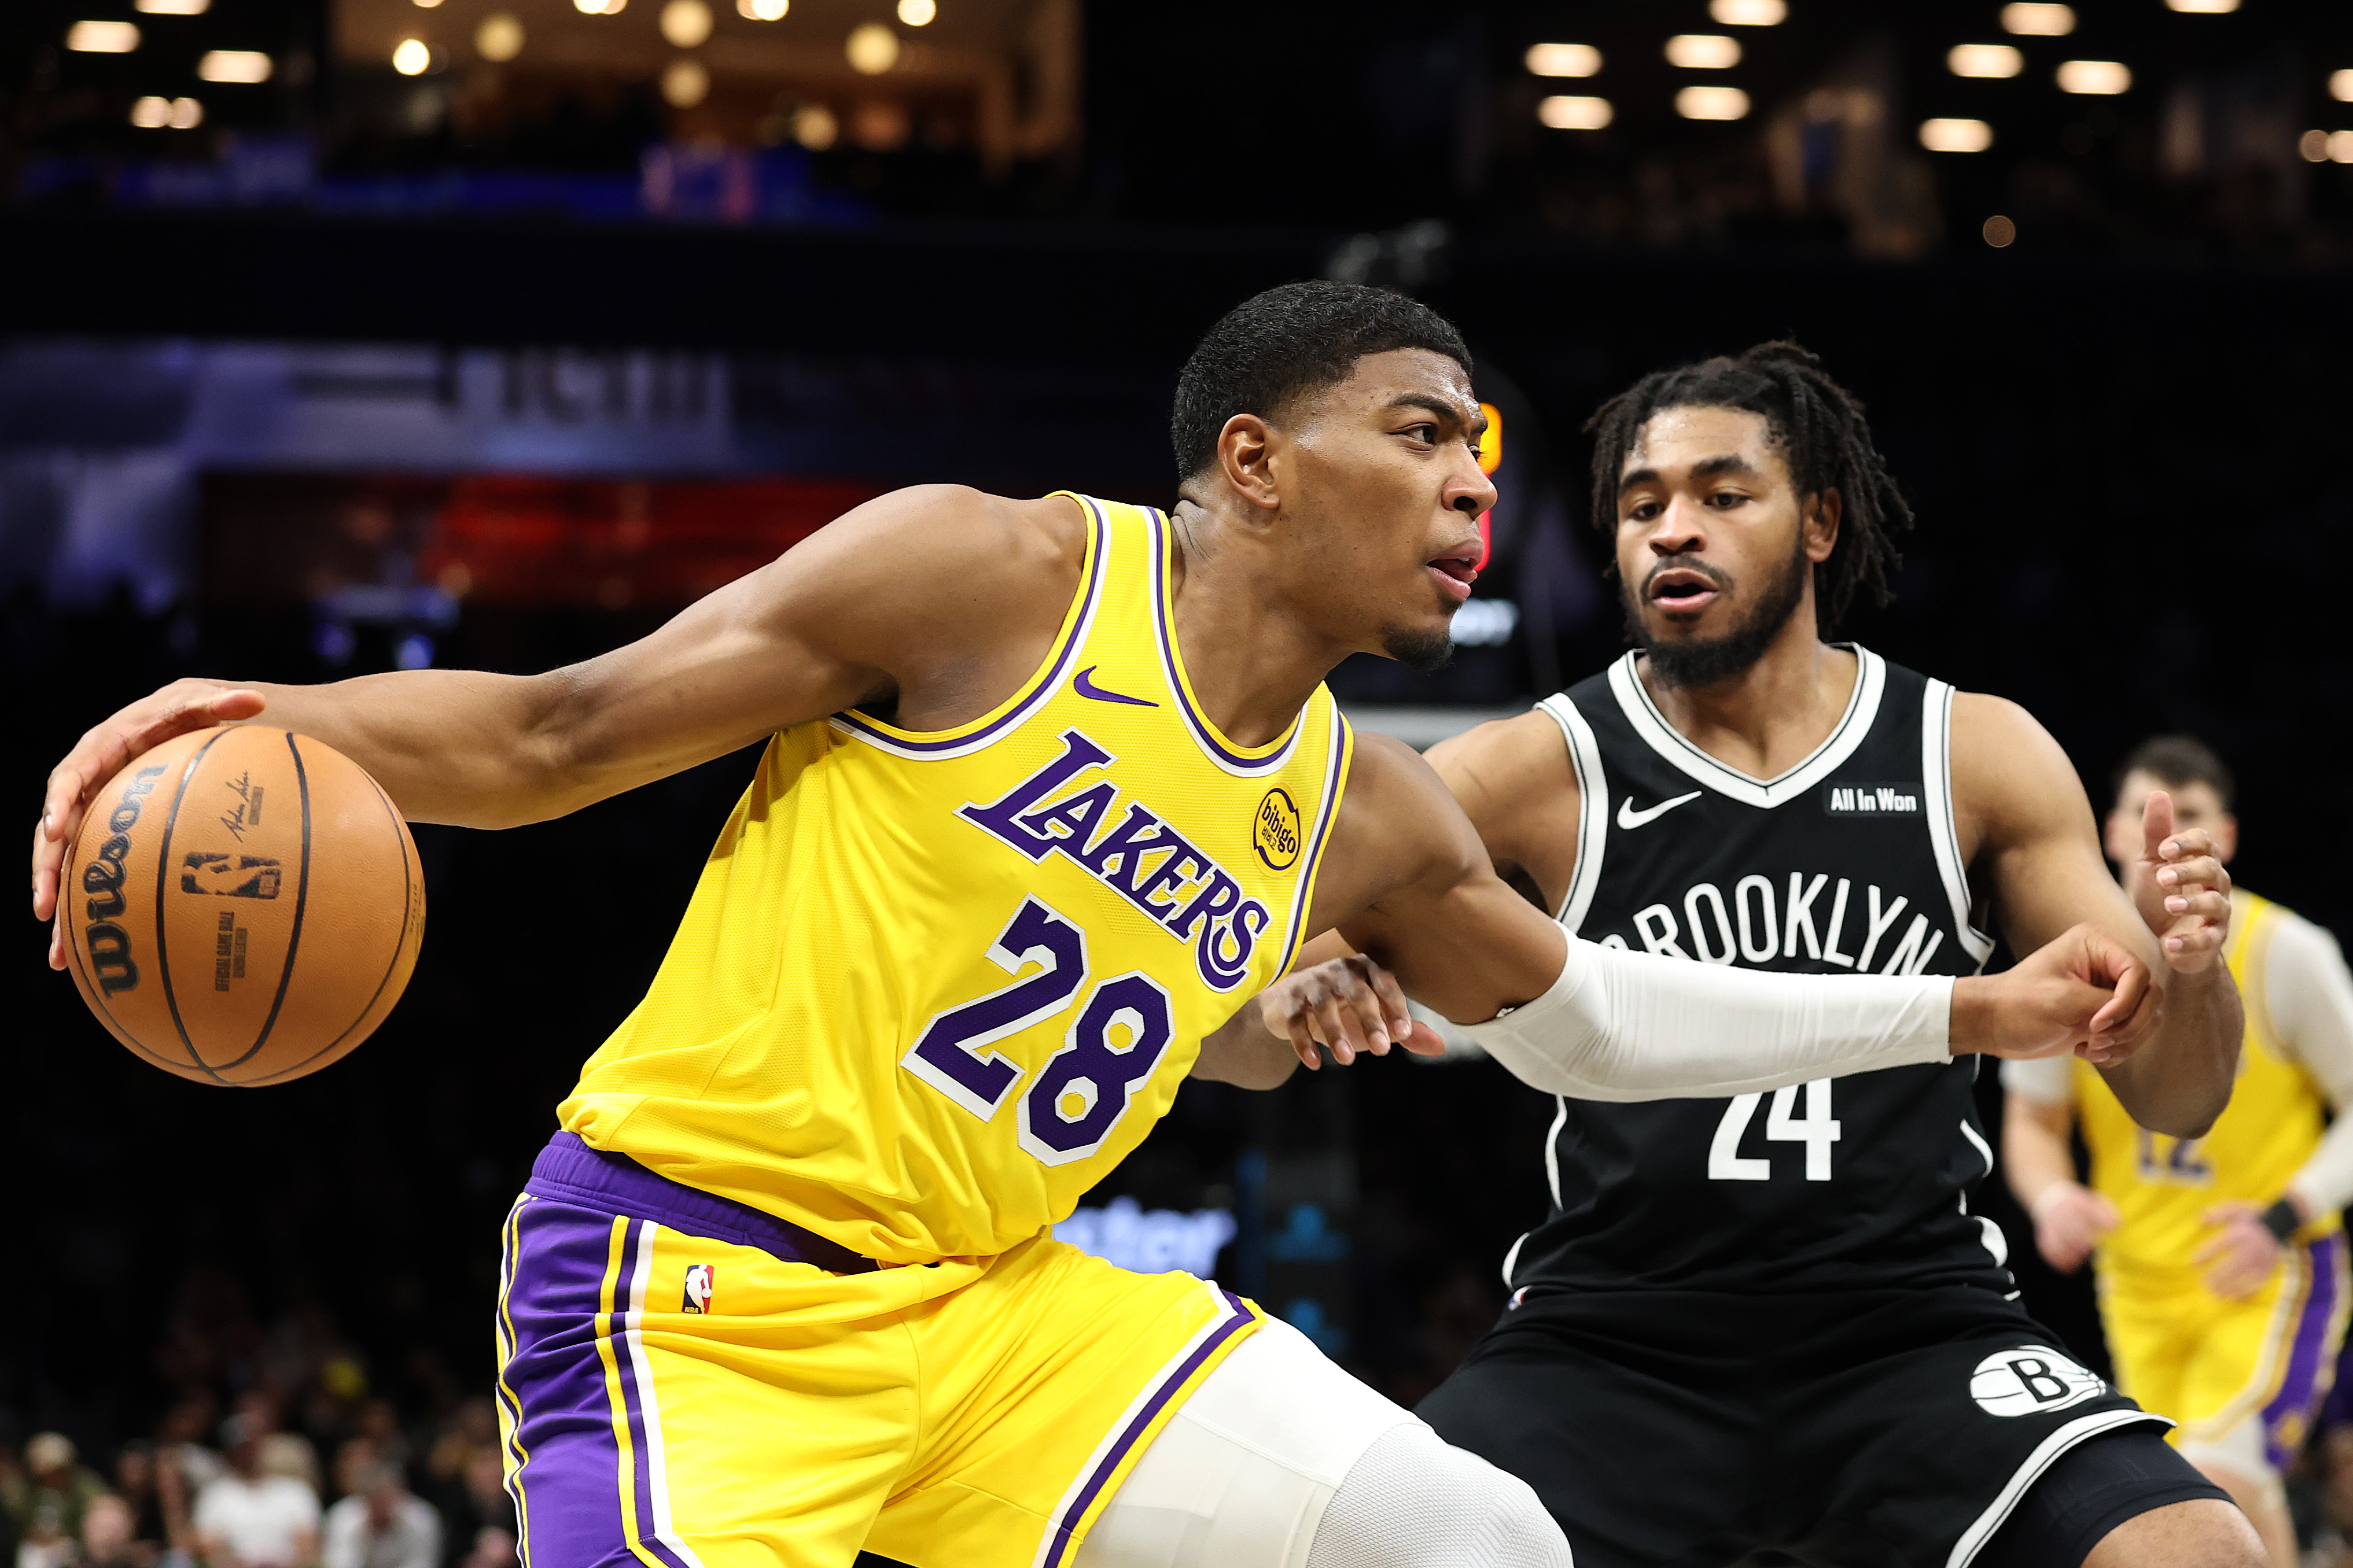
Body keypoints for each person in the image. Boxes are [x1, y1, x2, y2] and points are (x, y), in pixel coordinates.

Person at [34, 286, 2149, 1568]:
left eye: (1482, 457)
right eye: (1417, 434)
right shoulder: (995, 574)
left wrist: (1960, 998)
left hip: (997, 1316)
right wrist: (260, 715)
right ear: (1250, 459)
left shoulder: (1367, 807)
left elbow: (1581, 1017)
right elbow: (548, 731)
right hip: (694, 1289)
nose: (1467, 490)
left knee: (1469, 1534)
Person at [1407, 342, 2261, 1568]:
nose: (1670, 530)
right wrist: (1329, 958)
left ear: (1816, 520)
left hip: (1911, 1321)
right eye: (1640, 505)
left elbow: (2176, 1090)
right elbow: (1294, 941)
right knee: (1384, 1537)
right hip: (1612, 1331)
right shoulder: (1536, 763)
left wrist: (2191, 974)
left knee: (2197, 1549)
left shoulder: (1969, 751)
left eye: (1718, 493)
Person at [2005, 735, 2353, 1567]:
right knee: (2172, 1508)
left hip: (2267, 1271)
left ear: (2222, 839)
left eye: (2187, 817)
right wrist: (2052, 1197)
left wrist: (2281, 1214)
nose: (2164, 834)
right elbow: (2032, 1125)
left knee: (2213, 1476)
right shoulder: (2073, 957)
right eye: (2143, 813)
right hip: (2136, 1284)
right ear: (2109, 830)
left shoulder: (2285, 951)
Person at [192, 1415, 321, 1568]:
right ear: (229, 1453)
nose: (248, 1454)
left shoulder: (295, 1491)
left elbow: (308, 1543)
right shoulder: (215, 1494)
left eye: (252, 1446)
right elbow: (207, 1546)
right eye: (241, 1449)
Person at [321, 1462, 439, 1568]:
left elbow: (422, 1562)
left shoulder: (421, 1519)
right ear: (364, 1498)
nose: (383, 1505)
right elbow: (338, 1563)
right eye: (377, 1499)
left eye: (388, 1498)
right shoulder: (343, 1517)